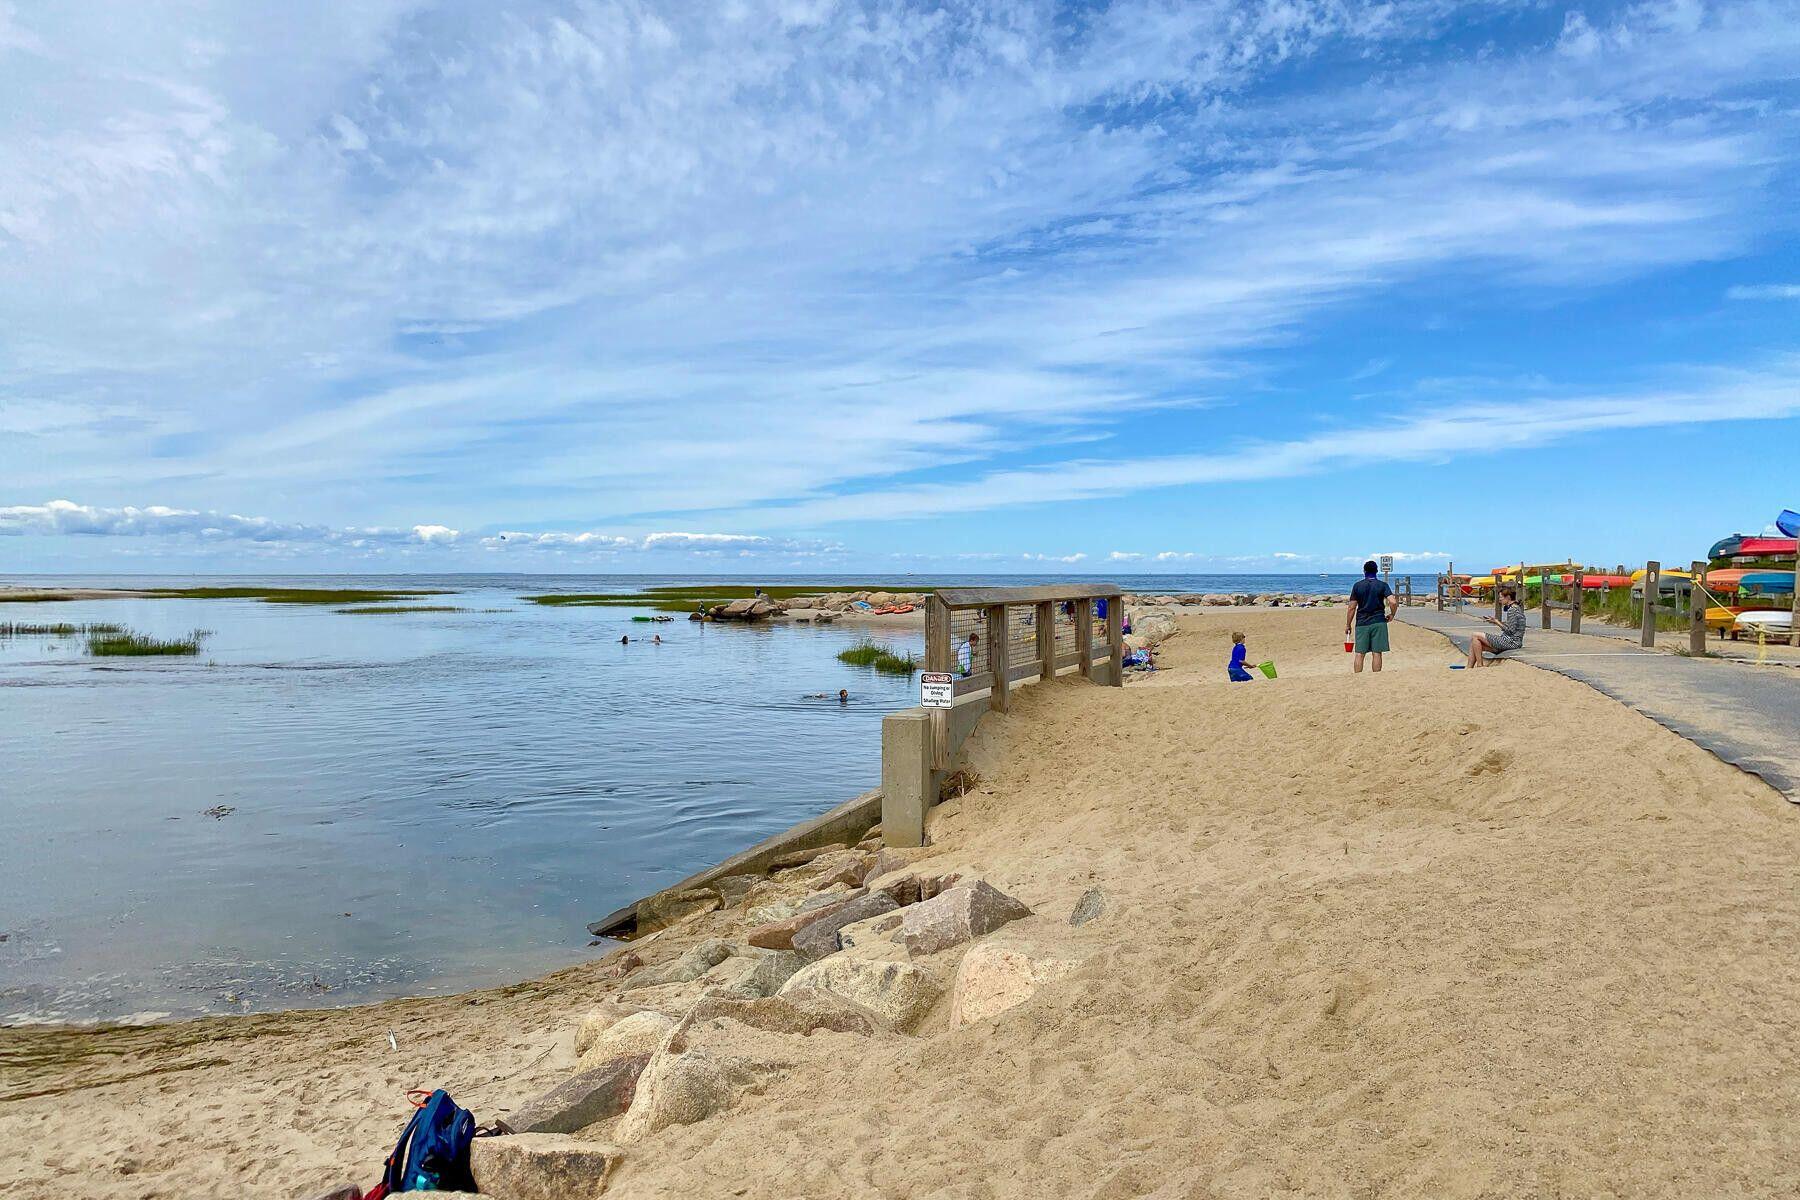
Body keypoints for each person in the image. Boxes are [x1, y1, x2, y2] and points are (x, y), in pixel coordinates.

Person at [1345, 559, 1397, 673]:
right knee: (1377, 652)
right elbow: (1393, 602)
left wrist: (1348, 625)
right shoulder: (1382, 585)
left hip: (1362, 622)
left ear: (1364, 571)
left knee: (1360, 653)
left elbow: (1352, 607)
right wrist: (1392, 614)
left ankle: (1358, 677)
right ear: (1376, 571)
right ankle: (1376, 677)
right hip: (1379, 621)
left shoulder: (1357, 586)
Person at [1467, 585, 1526, 668]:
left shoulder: (1512, 610)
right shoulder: (1516, 608)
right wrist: (1495, 621)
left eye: (1501, 597)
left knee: (1475, 635)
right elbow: (1512, 628)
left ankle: (1480, 665)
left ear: (1508, 597)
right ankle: (1469, 668)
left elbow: (1510, 631)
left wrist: (1496, 622)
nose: (1499, 599)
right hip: (1512, 642)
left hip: (1511, 642)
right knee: (1475, 642)